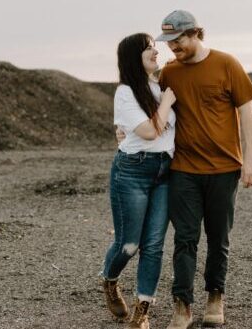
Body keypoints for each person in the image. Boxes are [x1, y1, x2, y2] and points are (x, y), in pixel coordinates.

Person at [155, 10, 252, 328]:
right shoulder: (169, 73)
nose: (173, 47)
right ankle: (182, 304)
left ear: (196, 33)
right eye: (168, 42)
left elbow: (247, 111)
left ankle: (215, 296)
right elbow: (152, 109)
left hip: (224, 168)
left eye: (178, 40)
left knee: (218, 237)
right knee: (185, 238)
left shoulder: (227, 63)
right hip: (183, 169)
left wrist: (251, 158)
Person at [100, 32, 177, 329]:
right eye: (149, 48)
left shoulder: (161, 87)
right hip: (132, 172)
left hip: (165, 172)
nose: (155, 51)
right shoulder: (126, 92)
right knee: (129, 244)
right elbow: (148, 132)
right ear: (134, 56)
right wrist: (168, 102)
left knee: (154, 245)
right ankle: (109, 281)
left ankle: (141, 310)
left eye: (155, 47)